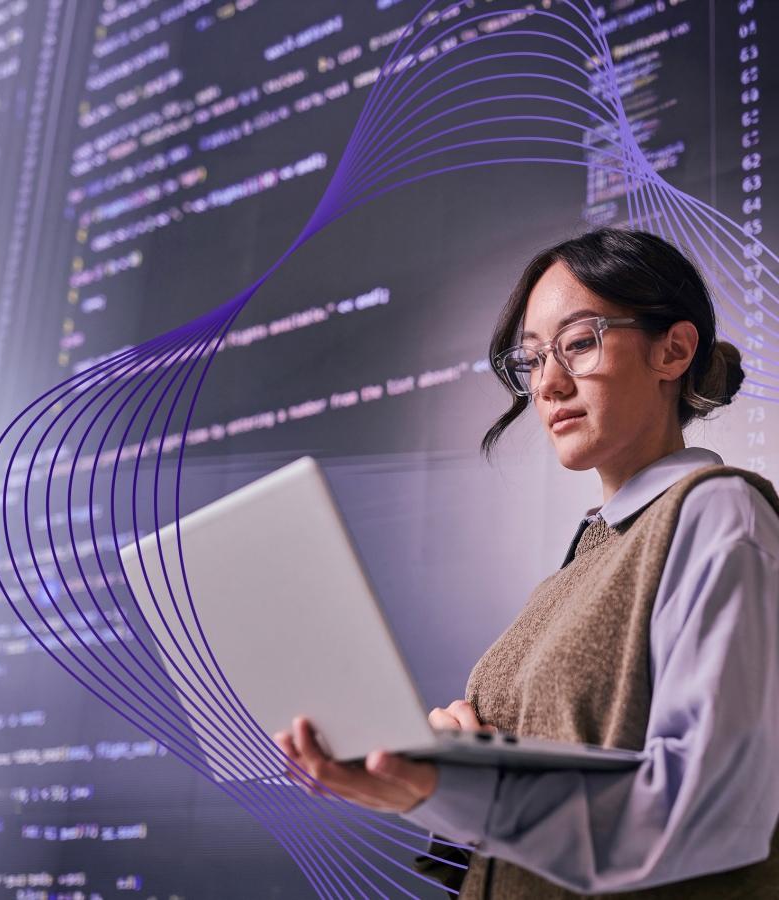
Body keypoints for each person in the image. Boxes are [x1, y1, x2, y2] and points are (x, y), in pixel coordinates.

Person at [274, 228, 779, 898]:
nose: (548, 383)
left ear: (673, 350)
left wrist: (459, 786)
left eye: (578, 343)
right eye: (533, 359)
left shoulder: (720, 516)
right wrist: (430, 789)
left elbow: (714, 819)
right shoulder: (570, 573)